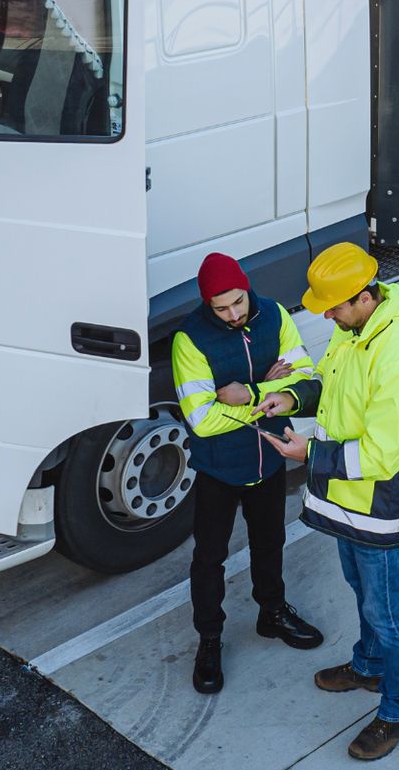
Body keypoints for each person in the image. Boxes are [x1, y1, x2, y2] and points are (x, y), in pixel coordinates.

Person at [258, 243, 399, 762]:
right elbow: (334, 391)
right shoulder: (353, 331)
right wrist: (292, 398)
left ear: (364, 297)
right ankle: (369, 667)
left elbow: (382, 453)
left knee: (387, 611)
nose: (327, 316)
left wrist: (308, 454)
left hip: (378, 503)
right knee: (362, 590)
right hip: (346, 497)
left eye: (333, 306)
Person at [172, 252, 325, 694]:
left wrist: (250, 392)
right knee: (210, 558)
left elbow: (307, 379)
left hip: (270, 458)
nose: (233, 314)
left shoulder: (275, 315)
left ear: (246, 287)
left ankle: (271, 613)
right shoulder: (190, 339)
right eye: (221, 308)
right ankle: (210, 638)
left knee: (270, 541)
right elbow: (202, 421)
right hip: (219, 468)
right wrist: (273, 387)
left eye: (238, 302)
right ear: (207, 304)